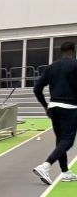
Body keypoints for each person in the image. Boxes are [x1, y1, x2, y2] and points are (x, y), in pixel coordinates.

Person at [33, 41, 77, 184]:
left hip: (54, 106)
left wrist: (45, 106)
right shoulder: (75, 65)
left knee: (60, 140)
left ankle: (65, 172)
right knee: (68, 140)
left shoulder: (51, 68)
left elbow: (37, 88)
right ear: (73, 51)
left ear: (61, 51)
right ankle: (45, 166)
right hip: (70, 107)